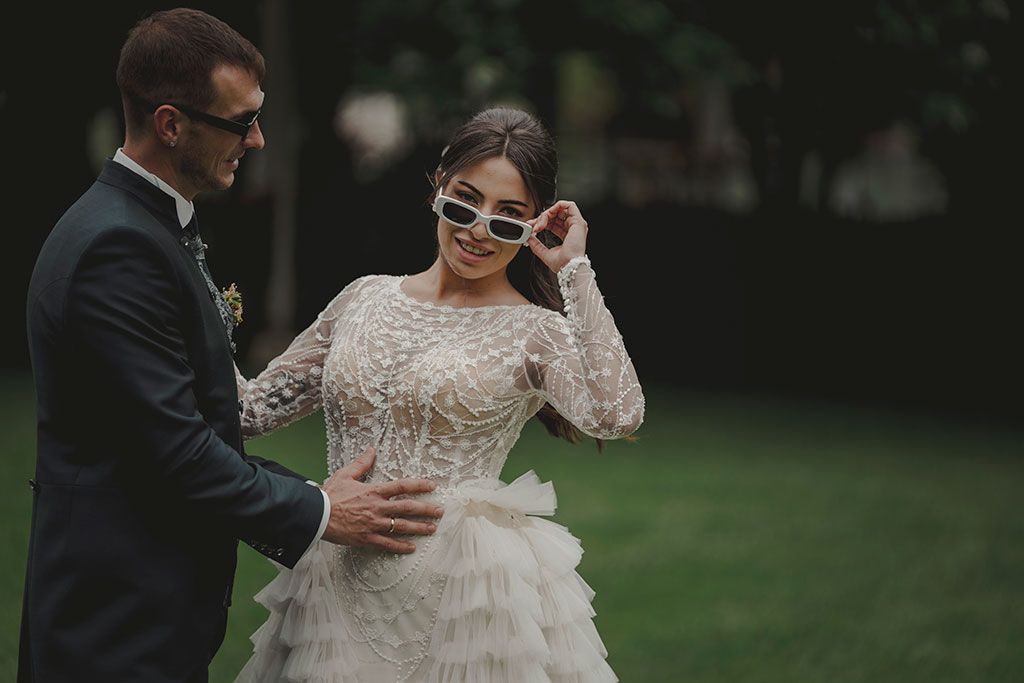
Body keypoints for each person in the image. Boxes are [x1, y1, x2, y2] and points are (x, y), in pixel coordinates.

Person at [19, 9, 442, 682]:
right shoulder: (117, 248)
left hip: (144, 613)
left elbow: (195, 424)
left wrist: (311, 491)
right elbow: (179, 452)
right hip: (113, 624)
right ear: (170, 123)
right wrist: (324, 512)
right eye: (241, 121)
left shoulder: (151, 225)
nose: (259, 139)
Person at [234, 107, 645, 682]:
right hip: (333, 581)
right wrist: (182, 314)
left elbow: (616, 413)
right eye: (464, 202)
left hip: (468, 598)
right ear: (438, 186)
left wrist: (574, 268)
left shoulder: (535, 332)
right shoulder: (362, 299)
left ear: (535, 228)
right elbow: (247, 413)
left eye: (509, 218)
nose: (478, 229)